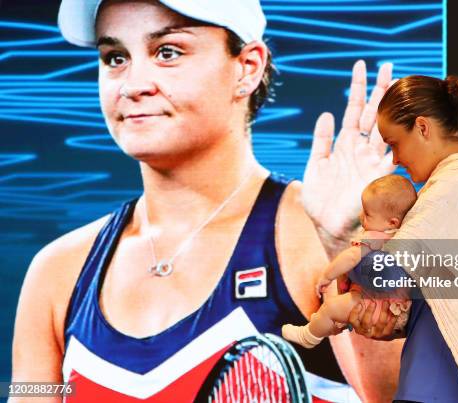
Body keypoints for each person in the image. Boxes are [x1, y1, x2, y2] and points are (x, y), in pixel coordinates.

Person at [10, 1, 404, 402]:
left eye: (168, 52)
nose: (132, 84)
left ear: (247, 67)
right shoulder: (54, 272)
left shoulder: (329, 235)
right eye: (115, 58)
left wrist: (354, 246)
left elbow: (407, 393)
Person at [315, 75, 458, 402]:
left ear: (423, 128)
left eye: (395, 143)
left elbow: (387, 273)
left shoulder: (457, 185)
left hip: (438, 389)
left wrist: (348, 262)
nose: (396, 160)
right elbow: (433, 302)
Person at [282, 174, 416, 348]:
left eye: (367, 214)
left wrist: (327, 275)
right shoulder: (403, 238)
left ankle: (309, 336)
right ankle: (333, 324)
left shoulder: (376, 238)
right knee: (338, 309)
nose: (361, 217)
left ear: (392, 222)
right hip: (398, 312)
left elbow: (351, 257)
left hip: (373, 305)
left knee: (330, 308)